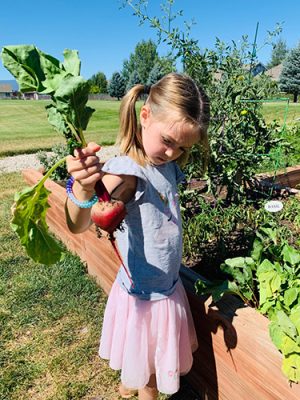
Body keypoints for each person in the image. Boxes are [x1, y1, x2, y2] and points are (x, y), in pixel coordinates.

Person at [65, 72, 210, 400]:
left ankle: (126, 383)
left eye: (182, 147)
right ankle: (138, 387)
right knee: (151, 380)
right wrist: (84, 187)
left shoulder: (167, 165)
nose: (173, 153)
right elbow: (79, 222)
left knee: (141, 361)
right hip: (146, 297)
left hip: (165, 286)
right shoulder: (127, 172)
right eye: (169, 141)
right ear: (145, 115)